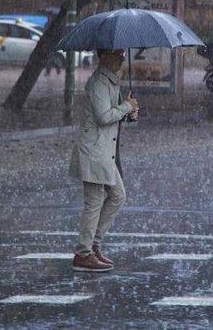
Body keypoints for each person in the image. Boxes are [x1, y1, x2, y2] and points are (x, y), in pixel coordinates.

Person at [70, 49, 138, 272]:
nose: (121, 57)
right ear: (104, 57)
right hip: (94, 151)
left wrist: (130, 112)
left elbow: (115, 115)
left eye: (121, 53)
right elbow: (103, 116)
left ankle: (94, 243)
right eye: (117, 54)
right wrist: (125, 107)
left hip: (104, 153)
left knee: (118, 195)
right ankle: (83, 252)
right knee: (94, 201)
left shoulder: (113, 82)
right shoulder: (99, 83)